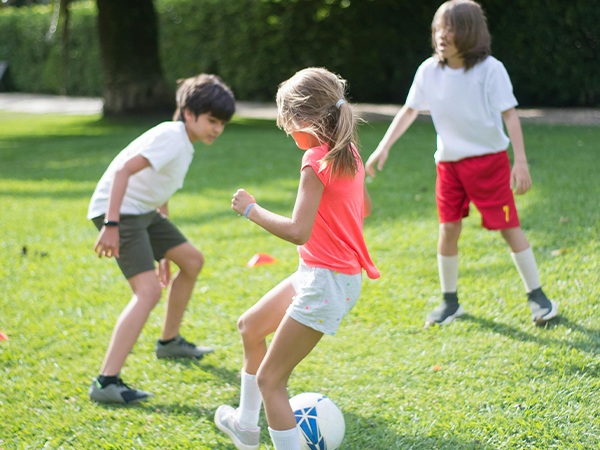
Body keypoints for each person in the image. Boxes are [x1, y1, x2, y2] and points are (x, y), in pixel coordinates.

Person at [214, 67, 380, 450]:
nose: (287, 132)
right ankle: (244, 426)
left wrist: (251, 209)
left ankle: (258, 432)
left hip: (326, 281)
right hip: (321, 274)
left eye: (287, 124)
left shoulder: (315, 161)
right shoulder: (347, 152)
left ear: (303, 120)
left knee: (271, 380)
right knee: (250, 326)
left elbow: (297, 232)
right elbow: (365, 207)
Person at [366, 0, 558, 328]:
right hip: (449, 166)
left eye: (451, 28)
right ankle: (449, 302)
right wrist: (383, 147)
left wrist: (520, 162)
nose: (443, 35)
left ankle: (538, 297)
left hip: (490, 163)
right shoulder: (428, 70)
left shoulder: (490, 69)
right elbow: (409, 109)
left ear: (470, 32)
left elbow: (510, 115)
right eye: (439, 28)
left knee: (509, 229)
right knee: (448, 228)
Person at [87, 74, 235, 404]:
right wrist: (110, 224)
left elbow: (160, 192)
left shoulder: (184, 142)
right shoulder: (172, 136)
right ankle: (106, 382)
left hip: (142, 210)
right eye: (212, 120)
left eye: (222, 123)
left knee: (192, 260)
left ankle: (169, 342)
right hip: (120, 211)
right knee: (149, 291)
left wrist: (164, 252)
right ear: (188, 113)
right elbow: (124, 171)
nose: (217, 129)